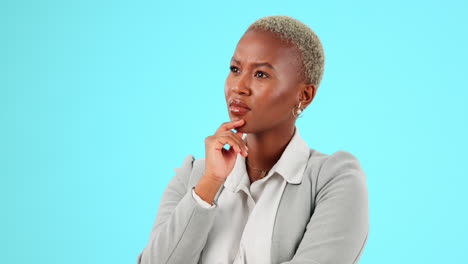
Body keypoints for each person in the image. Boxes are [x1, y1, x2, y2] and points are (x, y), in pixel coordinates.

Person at [136, 15, 369, 264]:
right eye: (235, 69)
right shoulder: (194, 176)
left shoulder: (333, 179)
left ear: (304, 95)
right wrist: (210, 185)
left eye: (260, 74)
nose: (239, 87)